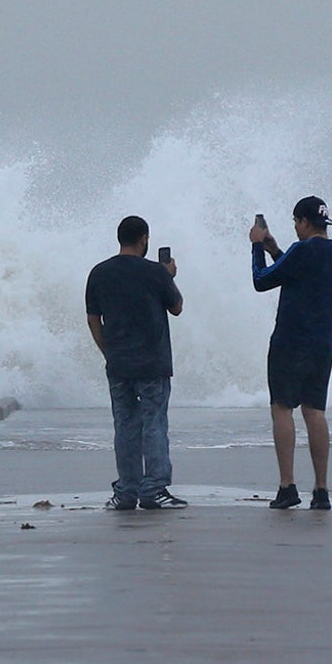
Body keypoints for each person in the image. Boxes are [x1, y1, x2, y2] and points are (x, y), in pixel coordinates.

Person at [250, 196, 332, 511]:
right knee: (315, 411)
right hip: (323, 342)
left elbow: (261, 281)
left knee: (282, 408)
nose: (295, 227)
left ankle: (287, 485)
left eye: (296, 221)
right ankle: (321, 490)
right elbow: (300, 277)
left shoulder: (302, 250)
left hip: (290, 341)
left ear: (305, 222)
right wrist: (275, 251)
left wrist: (255, 247)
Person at [85, 215, 185, 510]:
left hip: (118, 363)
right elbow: (177, 308)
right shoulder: (155, 272)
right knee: (154, 423)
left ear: (120, 238)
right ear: (144, 239)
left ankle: (127, 491)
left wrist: (108, 351)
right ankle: (153, 488)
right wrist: (168, 276)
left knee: (125, 426)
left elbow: (93, 319)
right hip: (153, 362)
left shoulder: (99, 273)